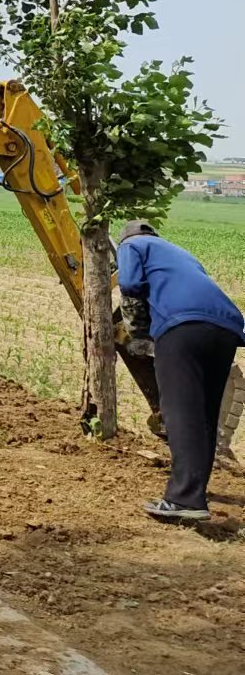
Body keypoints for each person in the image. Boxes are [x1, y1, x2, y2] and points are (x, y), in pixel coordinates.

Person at [116, 219, 245, 522]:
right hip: (226, 328)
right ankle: (196, 492)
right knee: (204, 414)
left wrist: (138, 334)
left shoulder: (131, 245)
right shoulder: (180, 253)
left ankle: (183, 500)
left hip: (182, 328)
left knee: (180, 411)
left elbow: (131, 285)